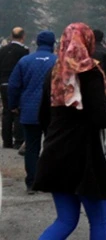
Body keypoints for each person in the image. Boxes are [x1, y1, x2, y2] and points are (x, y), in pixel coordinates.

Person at [33, 23, 106, 239]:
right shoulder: (91, 73)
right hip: (84, 156)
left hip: (55, 153)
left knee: (66, 220)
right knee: (99, 221)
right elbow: (100, 117)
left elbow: (43, 115)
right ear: (88, 43)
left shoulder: (54, 72)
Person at [7, 31, 57, 194]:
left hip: (29, 109)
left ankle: (32, 182)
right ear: (53, 44)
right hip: (52, 111)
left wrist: (13, 105)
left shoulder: (25, 61)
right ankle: (50, 179)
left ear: (37, 43)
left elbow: (14, 85)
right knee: (52, 146)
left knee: (31, 147)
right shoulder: (58, 62)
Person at [0, 27, 30, 149]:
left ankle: (6, 141)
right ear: (23, 36)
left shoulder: (2, 50)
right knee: (18, 110)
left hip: (3, 83)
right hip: (17, 83)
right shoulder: (24, 51)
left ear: (11, 36)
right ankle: (18, 140)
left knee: (6, 111)